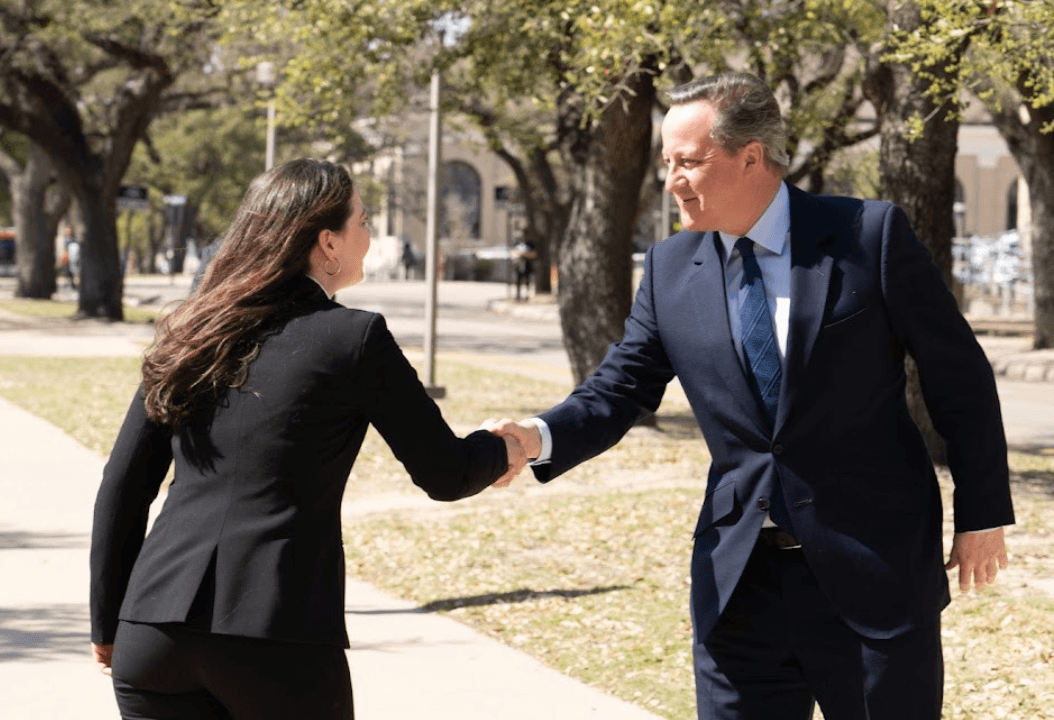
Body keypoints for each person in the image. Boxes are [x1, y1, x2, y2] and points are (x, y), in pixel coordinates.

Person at [487, 72, 1014, 720]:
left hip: (873, 576)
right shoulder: (670, 267)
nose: (671, 180)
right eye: (665, 163)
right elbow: (622, 385)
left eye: (688, 162)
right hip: (739, 585)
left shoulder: (869, 237)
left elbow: (958, 376)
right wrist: (535, 437)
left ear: (751, 158)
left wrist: (982, 513)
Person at [90, 158, 525, 720]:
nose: (370, 235)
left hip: (152, 633)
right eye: (363, 221)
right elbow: (445, 472)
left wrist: (108, 621)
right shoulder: (355, 337)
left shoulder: (192, 331)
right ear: (328, 243)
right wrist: (510, 447)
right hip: (277, 637)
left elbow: (122, 486)